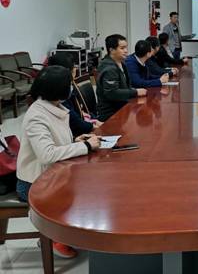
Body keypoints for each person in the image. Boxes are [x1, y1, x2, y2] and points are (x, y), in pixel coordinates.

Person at [16, 66, 101, 258]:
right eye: (69, 84)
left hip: (53, 173)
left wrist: (75, 141)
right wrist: (85, 146)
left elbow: (55, 142)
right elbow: (46, 154)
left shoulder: (55, 107)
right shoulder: (37, 116)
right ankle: (54, 237)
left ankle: (67, 233)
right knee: (86, 190)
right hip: (35, 182)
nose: (72, 88)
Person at [47, 53, 103, 137]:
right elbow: (74, 121)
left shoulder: (70, 86)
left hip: (80, 128)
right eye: (73, 66)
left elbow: (80, 110)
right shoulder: (59, 94)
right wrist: (92, 126)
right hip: (74, 134)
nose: (76, 69)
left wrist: (94, 120)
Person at [96, 34, 147, 122]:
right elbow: (112, 93)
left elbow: (126, 86)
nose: (126, 51)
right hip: (111, 113)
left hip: (122, 106)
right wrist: (135, 92)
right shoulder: (109, 68)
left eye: (126, 47)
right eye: (122, 48)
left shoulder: (122, 63)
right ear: (111, 50)